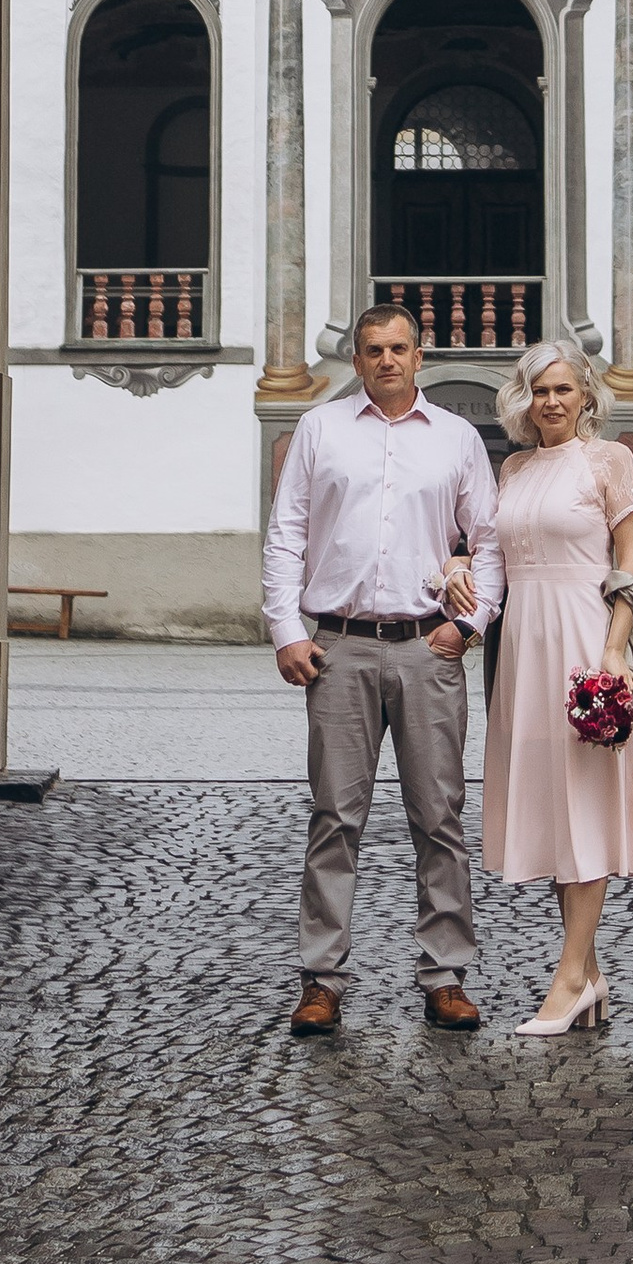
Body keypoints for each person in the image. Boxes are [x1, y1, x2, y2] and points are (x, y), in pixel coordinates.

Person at [261, 302, 503, 1038]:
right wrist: (284, 631)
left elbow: (489, 542)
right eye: (373, 350)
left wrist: (469, 625)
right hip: (338, 647)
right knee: (335, 817)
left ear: (419, 355)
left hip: (428, 647)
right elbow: (286, 533)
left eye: (399, 348)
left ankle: (446, 975)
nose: (387, 360)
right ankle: (321, 979)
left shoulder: (459, 439)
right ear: (358, 358)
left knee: (440, 816)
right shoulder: (320, 429)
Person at [451, 339, 633, 1036]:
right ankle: (592, 974)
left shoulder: (610, 460)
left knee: (588, 806)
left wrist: (611, 652)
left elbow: (631, 566)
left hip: (584, 637)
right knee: (552, 808)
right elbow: (495, 558)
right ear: (523, 399)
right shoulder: (511, 467)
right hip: (522, 647)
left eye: (563, 390)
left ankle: (570, 978)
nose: (550, 401)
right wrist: (455, 570)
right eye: (539, 391)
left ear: (586, 396)